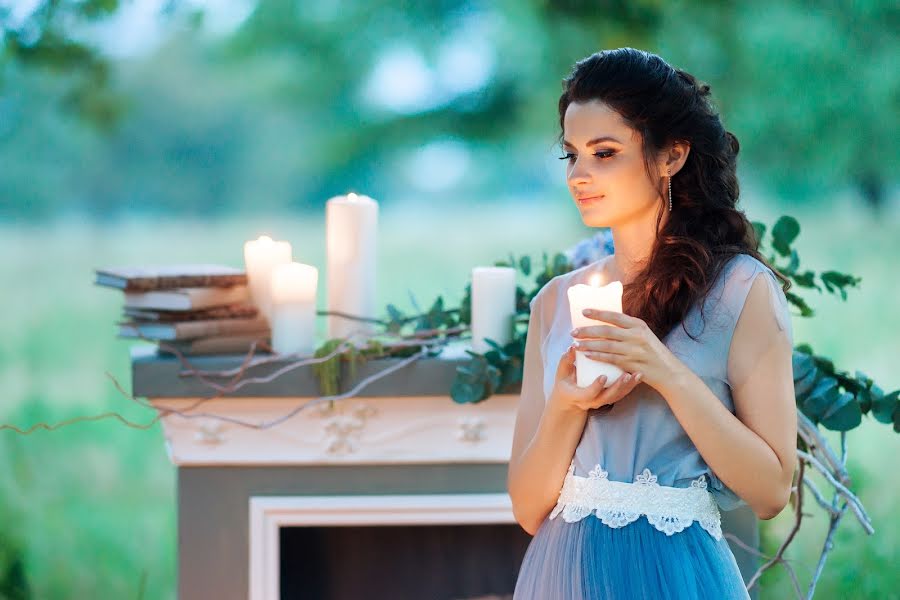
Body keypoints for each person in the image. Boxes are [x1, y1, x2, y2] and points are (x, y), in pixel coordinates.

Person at [508, 48, 797, 599]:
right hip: (563, 575)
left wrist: (666, 370)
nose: (580, 175)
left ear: (672, 156)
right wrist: (569, 405)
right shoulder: (555, 303)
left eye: (605, 153)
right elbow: (526, 508)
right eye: (572, 156)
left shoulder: (742, 291)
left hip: (677, 573)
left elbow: (770, 491)